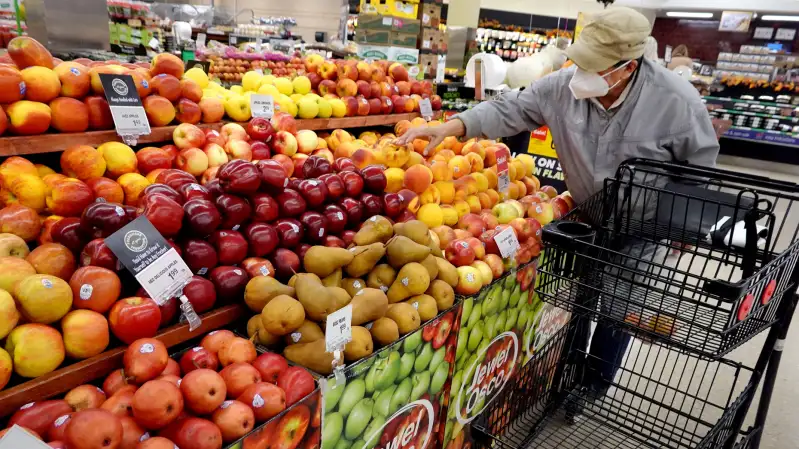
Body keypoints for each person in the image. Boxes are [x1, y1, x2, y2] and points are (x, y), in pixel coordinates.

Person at [395, 7, 719, 396]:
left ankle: (594, 382)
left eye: (593, 66)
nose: (579, 73)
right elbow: (508, 108)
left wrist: (690, 226)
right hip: (587, 214)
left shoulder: (677, 101)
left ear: (627, 67)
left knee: (621, 303)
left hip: (643, 224)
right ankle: (566, 367)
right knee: (577, 297)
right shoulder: (563, 86)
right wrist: (452, 126)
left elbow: (700, 166)